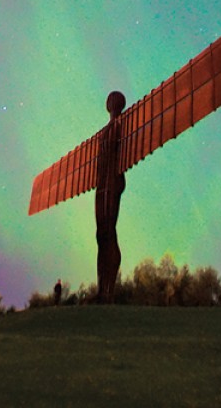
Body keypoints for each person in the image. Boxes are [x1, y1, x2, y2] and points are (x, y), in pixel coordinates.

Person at [95, 90, 127, 303]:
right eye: (109, 99)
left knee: (109, 232)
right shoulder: (103, 131)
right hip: (101, 184)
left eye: (113, 99)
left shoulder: (123, 124)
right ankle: (100, 290)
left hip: (113, 181)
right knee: (100, 235)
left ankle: (109, 291)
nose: (110, 102)